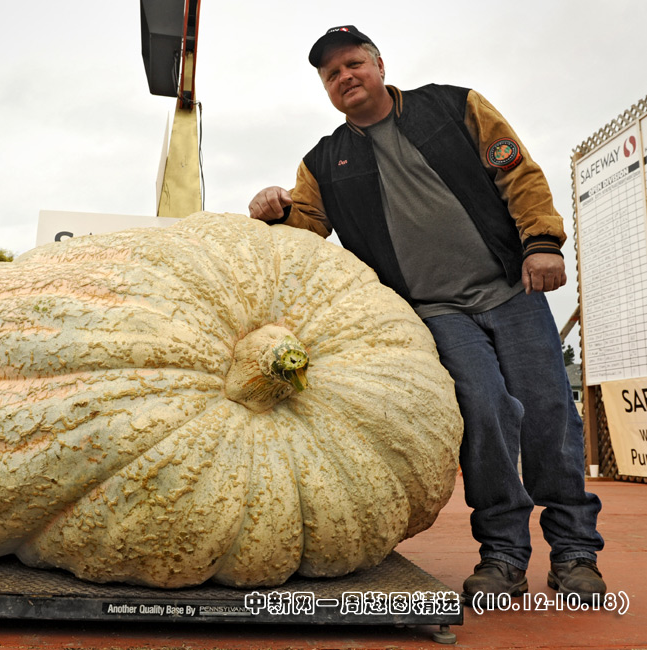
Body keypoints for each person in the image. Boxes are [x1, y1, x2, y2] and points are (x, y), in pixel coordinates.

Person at [249, 25, 605, 605]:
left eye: (353, 63)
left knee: (547, 409)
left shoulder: (454, 106)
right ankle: (503, 554)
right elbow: (305, 231)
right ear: (326, 88)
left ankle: (574, 551)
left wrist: (541, 242)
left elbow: (517, 171)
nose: (345, 77)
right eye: (331, 74)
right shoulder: (323, 162)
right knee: (484, 412)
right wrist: (274, 210)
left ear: (379, 65)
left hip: (509, 287)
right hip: (433, 313)